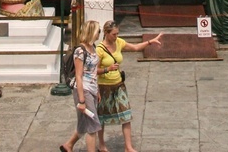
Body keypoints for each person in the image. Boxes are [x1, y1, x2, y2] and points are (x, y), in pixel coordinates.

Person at [96, 20, 163, 152]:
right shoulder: (99, 50)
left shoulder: (119, 42)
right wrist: (107, 69)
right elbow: (93, 71)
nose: (116, 37)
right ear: (106, 33)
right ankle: (102, 144)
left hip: (119, 85)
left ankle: (128, 146)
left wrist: (150, 41)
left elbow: (135, 48)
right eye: (114, 34)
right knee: (102, 117)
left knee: (126, 115)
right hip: (104, 86)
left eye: (117, 34)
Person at [60, 20, 103, 152]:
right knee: (93, 124)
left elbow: (94, 72)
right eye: (98, 31)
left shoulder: (93, 47)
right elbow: (79, 76)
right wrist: (82, 100)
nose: (99, 34)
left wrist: (98, 91)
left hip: (92, 88)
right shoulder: (80, 51)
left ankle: (68, 145)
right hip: (83, 90)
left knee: (84, 122)